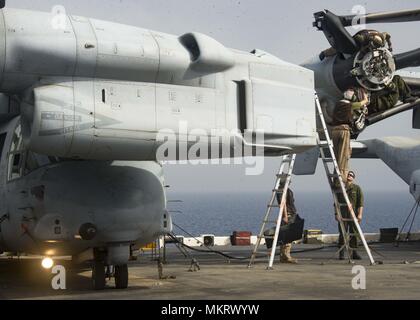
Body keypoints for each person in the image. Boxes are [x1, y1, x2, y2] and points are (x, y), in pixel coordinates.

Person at [331, 88, 369, 182]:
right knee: (343, 157)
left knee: (336, 156)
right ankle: (341, 181)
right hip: (344, 130)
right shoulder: (350, 105)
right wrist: (364, 93)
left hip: (335, 131)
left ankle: (336, 179)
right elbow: (365, 102)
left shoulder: (338, 104)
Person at [336, 171, 364, 260]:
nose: (349, 176)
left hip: (353, 215)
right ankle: (341, 253)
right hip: (343, 214)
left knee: (354, 233)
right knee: (342, 234)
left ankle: (354, 253)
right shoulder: (341, 189)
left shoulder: (357, 188)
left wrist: (360, 214)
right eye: (348, 174)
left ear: (353, 178)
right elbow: (336, 203)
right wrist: (336, 214)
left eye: (351, 175)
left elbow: (360, 203)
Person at [276, 184, 298, 264]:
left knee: (284, 236)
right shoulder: (283, 190)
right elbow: (283, 203)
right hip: (288, 214)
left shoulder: (280, 190)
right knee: (288, 236)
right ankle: (287, 256)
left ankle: (283, 256)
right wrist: (285, 215)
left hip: (288, 213)